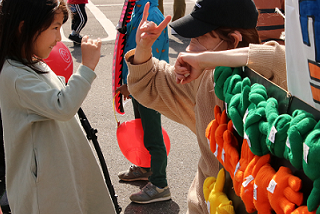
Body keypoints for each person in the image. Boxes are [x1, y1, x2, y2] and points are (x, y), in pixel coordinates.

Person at [124, 0, 286, 213]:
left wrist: (207, 59)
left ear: (233, 41)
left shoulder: (267, 79)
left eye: (199, 38)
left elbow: (277, 57)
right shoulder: (203, 75)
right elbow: (151, 82)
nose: (189, 47)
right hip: (204, 204)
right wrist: (144, 48)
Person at [0, 0, 116, 213]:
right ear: (24, 28)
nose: (58, 37)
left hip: (56, 172)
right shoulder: (15, 75)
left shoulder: (30, 64)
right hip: (44, 186)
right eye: (54, 28)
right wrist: (87, 68)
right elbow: (62, 106)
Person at [116, 0, 171, 204]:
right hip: (138, 84)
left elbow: (148, 60)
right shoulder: (137, 11)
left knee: (153, 135)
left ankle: (160, 184)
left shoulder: (152, 16)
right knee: (142, 129)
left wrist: (131, 85)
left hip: (149, 86)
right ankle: (145, 168)